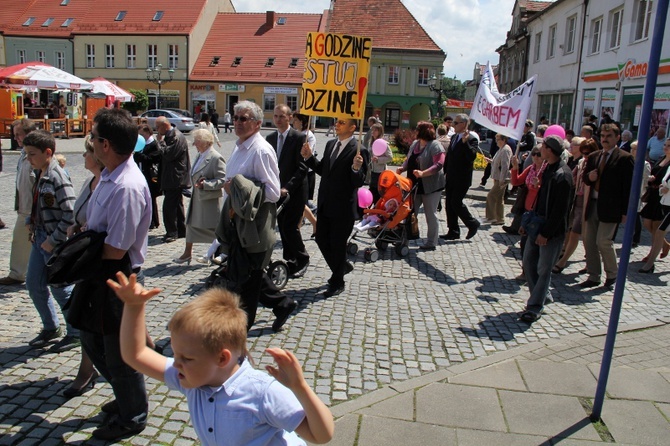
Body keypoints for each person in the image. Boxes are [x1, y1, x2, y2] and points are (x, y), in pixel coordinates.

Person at [109, 272, 335, 445]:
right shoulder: (192, 378)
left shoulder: (262, 392)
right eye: (175, 355)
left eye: (186, 358)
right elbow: (136, 354)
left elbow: (321, 435)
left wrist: (300, 387)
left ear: (221, 359)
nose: (176, 363)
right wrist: (134, 306)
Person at [75, 108, 152, 440]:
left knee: (120, 354)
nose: (90, 142)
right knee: (91, 339)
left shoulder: (127, 186)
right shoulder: (109, 174)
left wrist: (77, 257)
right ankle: (126, 398)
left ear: (105, 144)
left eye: (93, 137)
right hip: (101, 273)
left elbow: (116, 250)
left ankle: (133, 413)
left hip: (117, 277)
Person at [215, 100, 295, 331]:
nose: (238, 122)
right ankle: (282, 304)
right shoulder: (241, 146)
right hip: (237, 223)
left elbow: (272, 192)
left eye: (244, 118)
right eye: (236, 117)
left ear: (258, 124)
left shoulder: (260, 150)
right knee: (249, 275)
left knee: (248, 279)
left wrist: (239, 190)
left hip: (254, 227)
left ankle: (240, 331)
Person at [301, 117, 368, 297]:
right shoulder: (331, 144)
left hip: (343, 207)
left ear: (353, 127)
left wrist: (356, 168)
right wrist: (308, 157)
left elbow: (359, 181)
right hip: (325, 202)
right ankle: (341, 266)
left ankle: (337, 280)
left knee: (338, 245)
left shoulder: (359, 150)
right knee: (321, 238)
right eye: (336, 122)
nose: (336, 125)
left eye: (341, 123)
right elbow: (324, 170)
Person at [23, 130, 77, 350]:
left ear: (48, 152)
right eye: (26, 153)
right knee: (34, 284)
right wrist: (30, 218)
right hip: (39, 237)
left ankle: (76, 332)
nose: (28, 159)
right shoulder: (41, 173)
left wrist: (54, 239)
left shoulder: (57, 176)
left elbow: (70, 213)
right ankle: (51, 327)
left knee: (60, 288)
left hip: (52, 241)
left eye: (32, 154)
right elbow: (41, 203)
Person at [61, 135, 105, 398]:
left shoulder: (108, 185)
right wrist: (76, 227)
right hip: (84, 260)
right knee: (90, 325)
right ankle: (88, 370)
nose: (83, 157)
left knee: (95, 326)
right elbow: (81, 216)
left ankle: (89, 372)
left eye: (86, 153)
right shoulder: (90, 183)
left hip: (98, 263)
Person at [518, 135, 574, 323]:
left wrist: (546, 234)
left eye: (543, 145)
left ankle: (534, 307)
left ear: (550, 150)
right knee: (528, 262)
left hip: (550, 231)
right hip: (536, 224)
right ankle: (541, 295)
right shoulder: (547, 169)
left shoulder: (563, 175)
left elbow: (560, 210)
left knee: (543, 268)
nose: (540, 148)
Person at [580, 123, 634, 288]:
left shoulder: (625, 158)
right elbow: (585, 178)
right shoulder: (595, 156)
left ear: (617, 138)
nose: (605, 139)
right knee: (589, 241)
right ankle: (594, 275)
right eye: (603, 136)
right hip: (593, 204)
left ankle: (612, 273)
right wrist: (590, 177)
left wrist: (625, 211)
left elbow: (628, 187)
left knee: (603, 241)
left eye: (609, 136)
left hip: (611, 207)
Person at [266, 104, 310, 277]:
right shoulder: (269, 138)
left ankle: (302, 258)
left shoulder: (299, 137)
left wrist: (287, 187)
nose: (278, 119)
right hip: (276, 190)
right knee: (282, 227)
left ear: (290, 117)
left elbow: (302, 167)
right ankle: (290, 259)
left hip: (295, 190)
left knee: (290, 226)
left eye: (282, 116)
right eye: (275, 116)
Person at [174, 129, 226, 265]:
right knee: (190, 224)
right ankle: (187, 253)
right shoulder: (200, 155)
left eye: (196, 141)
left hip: (209, 201)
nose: (193, 144)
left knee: (215, 230)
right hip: (197, 199)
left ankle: (219, 253)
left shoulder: (215, 157)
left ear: (204, 142)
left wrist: (207, 184)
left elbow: (223, 179)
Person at [397, 121, 445, 250]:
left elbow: (439, 164)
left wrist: (423, 173)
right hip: (413, 185)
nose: (415, 131)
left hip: (431, 186)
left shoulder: (435, 145)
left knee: (431, 214)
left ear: (423, 131)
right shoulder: (415, 144)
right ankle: (404, 240)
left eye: (417, 129)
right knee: (409, 213)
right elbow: (409, 158)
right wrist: (403, 167)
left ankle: (431, 242)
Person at [0, 119, 37, 286]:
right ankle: (20, 272)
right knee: (23, 241)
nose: (16, 138)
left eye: (18, 135)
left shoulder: (35, 154)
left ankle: (18, 273)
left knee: (22, 240)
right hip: (24, 207)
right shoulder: (24, 153)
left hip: (31, 208)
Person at [553, 138, 598, 273]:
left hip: (588, 201)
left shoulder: (596, 165)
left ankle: (563, 261)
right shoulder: (581, 162)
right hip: (576, 200)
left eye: (588, 153)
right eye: (584, 152)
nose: (585, 155)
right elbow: (573, 179)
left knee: (580, 235)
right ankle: (585, 261)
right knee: (574, 232)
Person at [441, 113, 480, 240]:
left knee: (456, 203)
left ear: (464, 124)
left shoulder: (471, 139)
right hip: (451, 176)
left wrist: (465, 143)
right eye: (453, 122)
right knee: (449, 204)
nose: (453, 125)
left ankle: (472, 223)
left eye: (456, 123)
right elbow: (449, 157)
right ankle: (453, 230)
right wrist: (444, 171)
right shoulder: (453, 138)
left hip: (462, 178)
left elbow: (471, 157)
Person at [156, 116, 191, 243]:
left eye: (158, 127)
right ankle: (180, 230)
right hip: (173, 176)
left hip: (176, 177)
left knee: (169, 206)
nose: (157, 130)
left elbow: (168, 154)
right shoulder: (171, 136)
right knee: (176, 204)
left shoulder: (176, 136)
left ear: (165, 125)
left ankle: (172, 231)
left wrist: (160, 142)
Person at [639, 138, 670, 262]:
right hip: (653, 193)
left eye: (669, 145)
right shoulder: (662, 158)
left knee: (657, 225)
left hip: (662, 196)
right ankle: (665, 244)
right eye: (665, 145)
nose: (666, 147)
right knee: (647, 223)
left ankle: (652, 254)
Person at [292, 112, 318, 238]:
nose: (293, 122)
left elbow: (308, 155)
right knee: (300, 203)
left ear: (302, 121)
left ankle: (298, 227)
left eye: (296, 120)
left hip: (306, 173)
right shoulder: (297, 134)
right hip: (295, 171)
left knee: (301, 203)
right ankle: (310, 224)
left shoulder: (308, 136)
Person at [135, 124, 162, 229]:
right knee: (145, 198)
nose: (140, 136)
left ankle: (152, 221)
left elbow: (154, 158)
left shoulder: (153, 144)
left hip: (150, 175)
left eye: (142, 134)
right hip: (142, 173)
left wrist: (140, 156)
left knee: (150, 198)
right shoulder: (142, 144)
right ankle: (150, 221)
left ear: (148, 132)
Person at [485, 134, 513, 225]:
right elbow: (498, 162)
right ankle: (499, 218)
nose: (496, 141)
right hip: (498, 177)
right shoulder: (501, 149)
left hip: (502, 178)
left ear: (504, 140)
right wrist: (490, 161)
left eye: (498, 139)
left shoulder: (505, 149)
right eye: (496, 139)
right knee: (499, 198)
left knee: (491, 195)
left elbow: (505, 165)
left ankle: (491, 217)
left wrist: (502, 179)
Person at [368, 122, 393, 204]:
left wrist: (378, 159)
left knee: (378, 192)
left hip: (380, 172)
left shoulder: (383, 144)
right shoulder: (371, 142)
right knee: (372, 190)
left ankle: (377, 210)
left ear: (380, 132)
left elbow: (390, 157)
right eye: (373, 130)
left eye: (376, 130)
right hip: (372, 171)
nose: (373, 132)